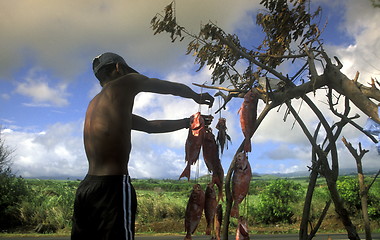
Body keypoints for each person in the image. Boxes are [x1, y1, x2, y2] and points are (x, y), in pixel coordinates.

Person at [71, 52, 214, 240]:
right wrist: (196, 95)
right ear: (118, 68)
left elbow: (148, 126)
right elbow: (169, 87)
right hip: (112, 187)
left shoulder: (96, 105)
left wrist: (189, 122)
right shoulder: (127, 81)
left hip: (87, 188)